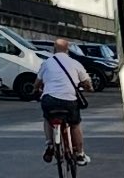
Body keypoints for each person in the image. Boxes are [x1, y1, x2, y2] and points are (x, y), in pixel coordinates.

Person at [34, 36, 94, 166]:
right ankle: (79, 154)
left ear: (54, 49)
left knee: (47, 118)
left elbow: (37, 82)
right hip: (69, 101)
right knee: (75, 124)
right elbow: (86, 82)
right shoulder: (75, 63)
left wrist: (36, 90)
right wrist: (89, 88)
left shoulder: (47, 63)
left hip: (49, 99)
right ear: (67, 50)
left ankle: (49, 144)